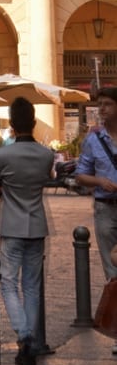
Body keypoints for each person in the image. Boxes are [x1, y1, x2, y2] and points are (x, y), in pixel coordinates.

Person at [0, 97, 54, 365]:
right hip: (37, 224)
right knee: (31, 286)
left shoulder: (2, 156)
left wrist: (6, 190)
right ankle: (31, 338)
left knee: (8, 283)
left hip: (11, 225)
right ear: (34, 122)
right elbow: (45, 180)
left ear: (11, 125)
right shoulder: (47, 154)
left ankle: (24, 335)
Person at [76, 86, 117, 283]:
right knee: (111, 266)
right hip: (105, 208)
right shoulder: (93, 139)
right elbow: (80, 175)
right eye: (100, 104)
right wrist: (100, 181)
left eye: (108, 104)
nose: (102, 109)